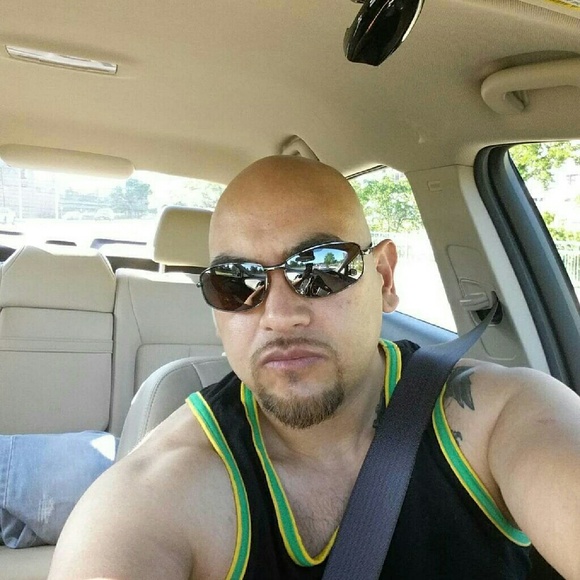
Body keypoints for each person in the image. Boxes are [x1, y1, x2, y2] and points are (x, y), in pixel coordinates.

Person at [49, 156, 580, 579]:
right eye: (237, 282)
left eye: (321, 267)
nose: (280, 315)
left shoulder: (503, 419)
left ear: (384, 278)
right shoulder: (154, 496)